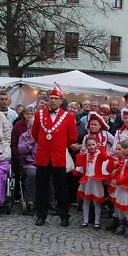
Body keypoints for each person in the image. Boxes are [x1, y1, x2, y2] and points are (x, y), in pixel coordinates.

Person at [32, 83, 77, 227]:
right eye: (51, 98)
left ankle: (64, 215)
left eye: (55, 98)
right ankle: (41, 215)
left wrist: (59, 145)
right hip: (43, 156)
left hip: (58, 157)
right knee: (41, 187)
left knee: (61, 188)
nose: (52, 100)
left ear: (61, 101)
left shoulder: (68, 117)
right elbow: (35, 133)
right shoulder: (39, 114)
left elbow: (72, 137)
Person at [74, 135, 113, 229]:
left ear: (96, 145)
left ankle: (97, 222)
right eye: (89, 145)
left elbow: (106, 158)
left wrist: (102, 148)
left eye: (93, 145)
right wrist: (80, 155)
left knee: (97, 202)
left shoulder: (99, 154)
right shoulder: (85, 155)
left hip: (96, 181)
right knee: (86, 201)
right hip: (87, 180)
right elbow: (79, 164)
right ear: (86, 146)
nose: (91, 147)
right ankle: (85, 220)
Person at [110, 138, 128, 235]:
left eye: (125, 148)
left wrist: (118, 181)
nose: (123, 150)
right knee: (119, 206)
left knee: (124, 207)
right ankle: (122, 223)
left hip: (125, 186)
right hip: (120, 185)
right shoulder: (125, 159)